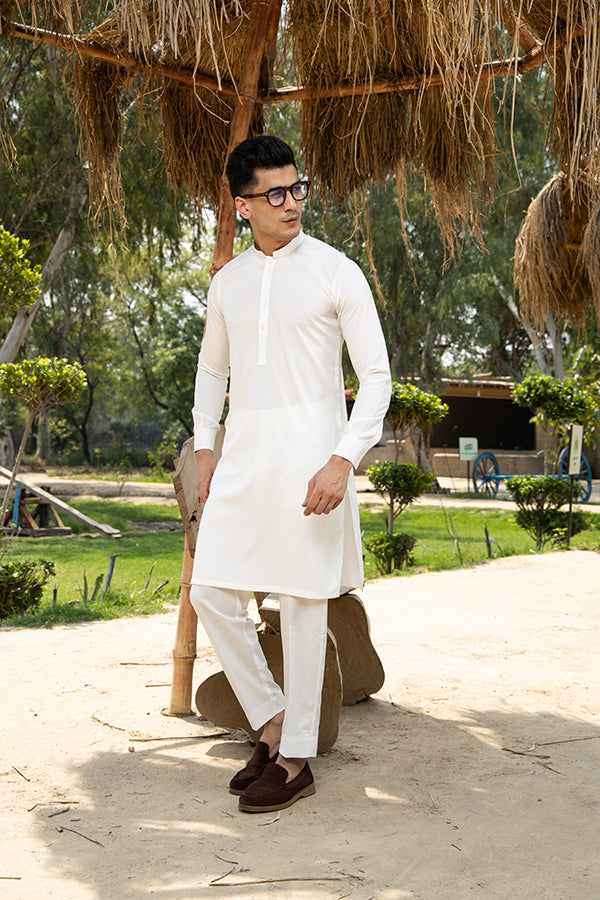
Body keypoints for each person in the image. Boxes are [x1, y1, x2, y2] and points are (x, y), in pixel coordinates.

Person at [189, 135, 391, 813]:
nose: (292, 202)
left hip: (313, 461)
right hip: (244, 460)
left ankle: (296, 759)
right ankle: (272, 722)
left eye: (297, 187)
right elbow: (211, 368)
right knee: (210, 591)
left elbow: (378, 377)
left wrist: (344, 458)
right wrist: (206, 446)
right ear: (242, 206)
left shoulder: (337, 271)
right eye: (274, 193)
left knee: (303, 605)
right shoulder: (228, 282)